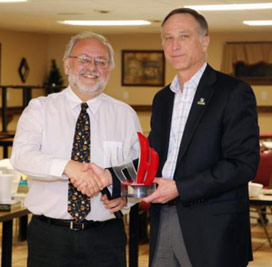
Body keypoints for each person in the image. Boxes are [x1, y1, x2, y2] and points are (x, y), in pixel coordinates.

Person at [141, 8, 260, 267]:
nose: (175, 45)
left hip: (213, 230)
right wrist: (116, 181)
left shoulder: (233, 92)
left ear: (204, 41)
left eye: (184, 36)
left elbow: (243, 165)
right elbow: (153, 158)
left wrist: (180, 187)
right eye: (168, 38)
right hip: (163, 222)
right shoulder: (162, 99)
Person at [11, 32, 141, 267]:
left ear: (109, 68)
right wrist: (70, 167)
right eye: (84, 59)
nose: (92, 67)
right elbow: (22, 157)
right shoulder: (40, 109)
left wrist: (126, 198)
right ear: (67, 63)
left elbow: (138, 169)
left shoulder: (125, 115)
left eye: (101, 61)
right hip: (50, 238)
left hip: (106, 237)